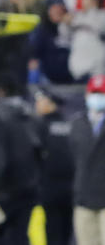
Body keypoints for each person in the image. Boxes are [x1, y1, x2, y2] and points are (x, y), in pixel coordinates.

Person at [0, 73, 43, 245]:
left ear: (0, 91)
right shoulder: (30, 113)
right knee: (19, 238)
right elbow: (39, 149)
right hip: (29, 188)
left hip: (4, 191)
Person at [35, 88, 74, 245]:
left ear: (50, 103)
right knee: (65, 235)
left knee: (52, 235)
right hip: (70, 190)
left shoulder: (39, 125)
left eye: (40, 100)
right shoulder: (70, 125)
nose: (37, 104)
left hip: (48, 190)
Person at [70, 75, 105, 245]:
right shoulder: (78, 123)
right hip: (84, 197)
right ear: (87, 94)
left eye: (101, 93)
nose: (98, 97)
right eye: (95, 92)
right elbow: (73, 157)